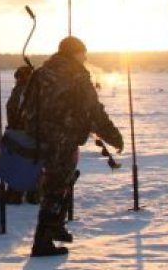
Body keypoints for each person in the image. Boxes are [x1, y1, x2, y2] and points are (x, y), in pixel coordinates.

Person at [21, 37, 123, 257]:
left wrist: (36, 133)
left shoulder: (41, 73)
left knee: (60, 182)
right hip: (63, 139)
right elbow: (93, 110)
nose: (85, 58)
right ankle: (42, 243)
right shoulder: (77, 74)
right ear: (75, 53)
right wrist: (113, 136)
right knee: (56, 188)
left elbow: (25, 107)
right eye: (83, 53)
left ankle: (56, 227)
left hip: (41, 139)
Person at [0, 64, 36, 205]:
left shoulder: (24, 90)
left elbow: (16, 109)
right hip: (24, 131)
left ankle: (16, 194)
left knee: (19, 163)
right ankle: (31, 193)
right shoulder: (32, 89)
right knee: (29, 162)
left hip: (21, 132)